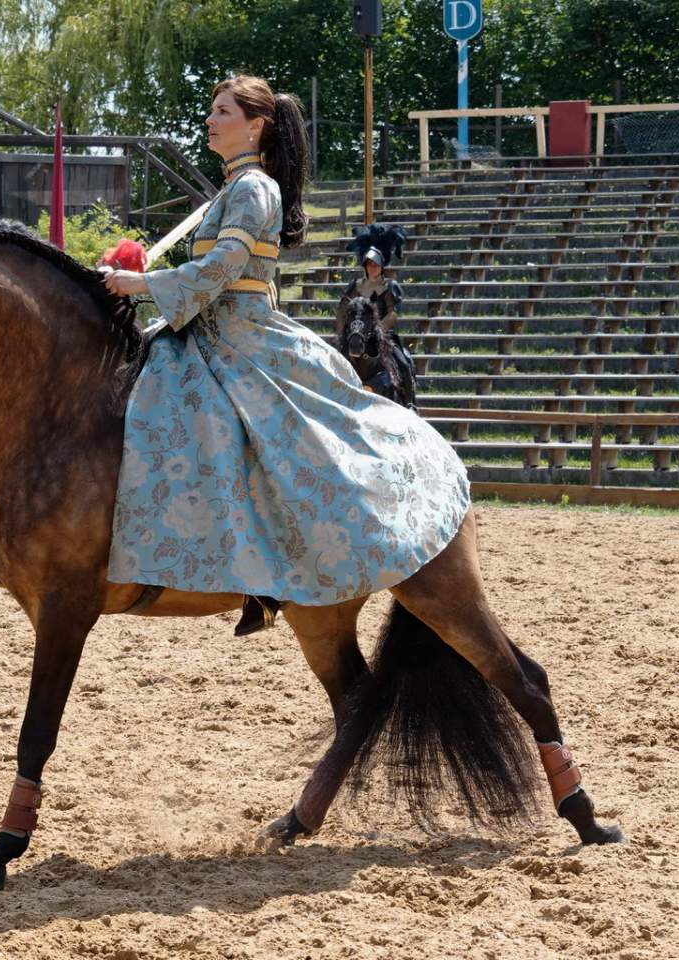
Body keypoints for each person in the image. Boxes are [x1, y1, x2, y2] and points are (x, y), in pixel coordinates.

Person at [102, 75, 469, 635]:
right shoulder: (231, 189)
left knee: (242, 432)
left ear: (256, 126)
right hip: (203, 329)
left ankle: (265, 572)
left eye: (222, 111)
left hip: (242, 336)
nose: (209, 120)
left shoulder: (254, 189)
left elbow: (223, 269)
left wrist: (143, 284)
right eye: (211, 110)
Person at [335, 223, 417, 407]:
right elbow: (342, 311)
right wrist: (343, 333)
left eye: (375, 264)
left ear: (382, 265)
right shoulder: (355, 286)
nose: (372, 268)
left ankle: (409, 403)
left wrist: (377, 329)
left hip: (383, 336)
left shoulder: (390, 286)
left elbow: (393, 313)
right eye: (369, 264)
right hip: (355, 336)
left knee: (403, 363)